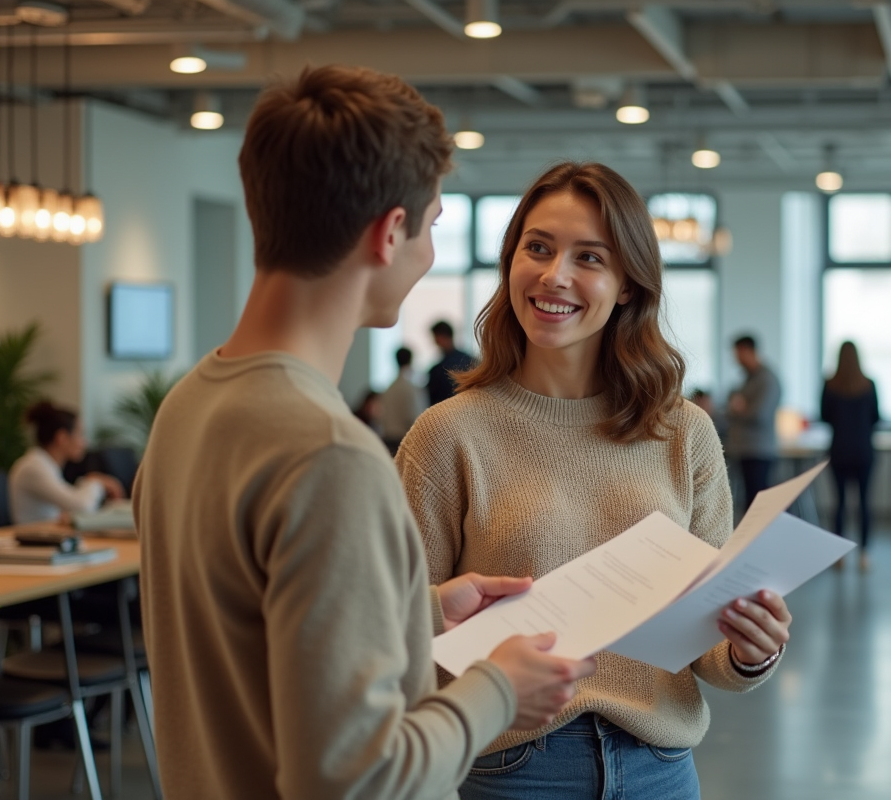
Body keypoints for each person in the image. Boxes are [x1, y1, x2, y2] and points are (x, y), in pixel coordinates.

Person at [132, 65, 593, 800]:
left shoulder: (188, 407)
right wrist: (498, 690)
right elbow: (354, 776)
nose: (429, 253)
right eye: (434, 225)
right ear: (389, 234)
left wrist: (417, 615)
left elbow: (248, 643)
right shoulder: (329, 457)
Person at [397, 162, 792, 800]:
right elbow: (395, 632)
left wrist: (751, 650)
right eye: (538, 248)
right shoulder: (446, 436)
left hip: (659, 768)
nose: (555, 276)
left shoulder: (683, 432)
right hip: (510, 771)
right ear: (511, 262)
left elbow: (708, 650)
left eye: (589, 258)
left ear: (628, 286)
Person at [8, 400, 124, 524]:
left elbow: (70, 501)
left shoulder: (45, 464)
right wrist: (95, 482)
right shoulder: (34, 467)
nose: (84, 443)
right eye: (80, 434)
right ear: (62, 438)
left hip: (46, 535)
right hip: (35, 539)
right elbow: (82, 507)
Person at [820, 342, 880, 573]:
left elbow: (824, 416)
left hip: (839, 450)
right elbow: (876, 417)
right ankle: (864, 553)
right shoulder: (869, 384)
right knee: (865, 503)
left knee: (840, 503)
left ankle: (839, 556)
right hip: (864, 450)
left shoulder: (830, 385)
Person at [726, 335, 782, 509]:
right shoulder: (748, 379)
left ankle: (760, 537)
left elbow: (760, 415)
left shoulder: (767, 379)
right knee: (749, 500)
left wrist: (740, 408)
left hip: (759, 450)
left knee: (757, 502)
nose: (736, 359)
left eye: (738, 353)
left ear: (748, 351)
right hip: (745, 449)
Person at [382, 346, 424, 441]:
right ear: (411, 360)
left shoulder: (390, 388)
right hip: (404, 439)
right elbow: (415, 417)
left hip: (389, 437)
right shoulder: (411, 388)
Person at [427, 320, 473, 406]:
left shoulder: (437, 370)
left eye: (435, 337)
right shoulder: (469, 360)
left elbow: (433, 402)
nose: (435, 342)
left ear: (441, 337)